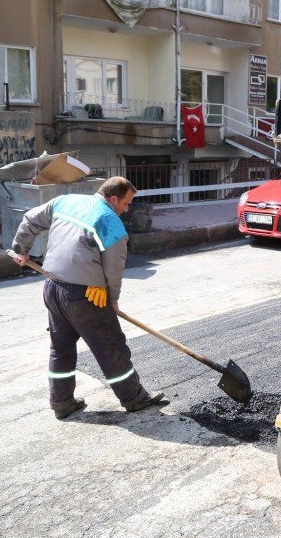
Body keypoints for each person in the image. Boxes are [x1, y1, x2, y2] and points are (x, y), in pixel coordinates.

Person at [10, 177, 165, 420]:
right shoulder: (110, 223)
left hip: (52, 287)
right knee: (111, 347)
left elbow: (30, 218)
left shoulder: (66, 201)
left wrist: (20, 248)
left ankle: (62, 403)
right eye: (126, 203)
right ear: (113, 199)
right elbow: (113, 270)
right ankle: (134, 398)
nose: (126, 209)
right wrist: (112, 300)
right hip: (84, 296)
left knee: (60, 348)